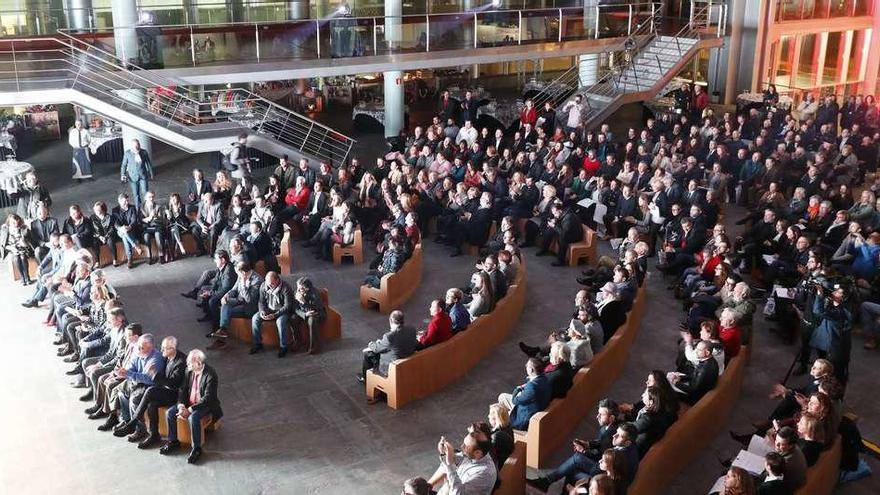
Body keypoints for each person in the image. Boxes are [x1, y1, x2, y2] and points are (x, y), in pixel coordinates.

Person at [114, 336, 186, 449]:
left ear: (173, 349)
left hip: (175, 394)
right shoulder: (167, 356)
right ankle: (154, 435)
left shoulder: (181, 362)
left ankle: (133, 422)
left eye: (165, 349)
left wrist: (154, 374)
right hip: (164, 390)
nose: (161, 350)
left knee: (150, 390)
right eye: (162, 348)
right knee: (152, 403)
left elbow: (173, 384)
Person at [160, 349, 223, 464]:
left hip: (205, 405)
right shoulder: (188, 370)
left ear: (198, 363)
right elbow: (183, 389)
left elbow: (208, 398)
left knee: (193, 417)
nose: (187, 364)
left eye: (190, 362)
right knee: (169, 412)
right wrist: (181, 406)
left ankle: (196, 448)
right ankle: (173, 441)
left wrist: (190, 409)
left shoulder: (211, 374)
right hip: (189, 402)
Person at [113, 333, 166, 443]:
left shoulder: (156, 358)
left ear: (150, 347)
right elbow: (132, 367)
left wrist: (129, 374)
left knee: (134, 400)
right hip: (136, 381)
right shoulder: (138, 352)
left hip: (150, 386)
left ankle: (139, 430)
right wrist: (124, 371)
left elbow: (148, 379)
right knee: (121, 392)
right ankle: (126, 420)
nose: (139, 348)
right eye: (139, 346)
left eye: (142, 347)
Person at [207, 262, 263, 349]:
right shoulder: (241, 276)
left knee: (226, 313)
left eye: (238, 273)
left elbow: (249, 299)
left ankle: (221, 338)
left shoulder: (257, 280)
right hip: (239, 300)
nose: (238, 275)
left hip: (249, 307)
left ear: (243, 273)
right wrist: (226, 295)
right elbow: (234, 289)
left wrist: (244, 283)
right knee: (225, 303)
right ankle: (223, 330)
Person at [428, 431, 497, 495]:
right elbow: (452, 459)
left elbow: (458, 493)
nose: (461, 446)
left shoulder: (485, 474)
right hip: (446, 491)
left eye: (465, 446)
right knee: (419, 484)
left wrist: (450, 464)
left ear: (477, 452)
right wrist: (444, 452)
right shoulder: (474, 455)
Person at [359, 310, 418, 383]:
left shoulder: (389, 336)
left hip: (390, 369)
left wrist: (371, 344)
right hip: (407, 363)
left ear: (391, 321)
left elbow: (377, 349)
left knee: (368, 354)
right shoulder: (412, 329)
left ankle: (366, 379)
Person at [497, 358, 551, 430]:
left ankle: (503, 425)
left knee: (502, 399)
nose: (525, 366)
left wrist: (518, 389)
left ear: (531, 370)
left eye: (527, 366)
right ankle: (504, 419)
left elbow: (514, 400)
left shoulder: (532, 387)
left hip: (524, 416)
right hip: (534, 407)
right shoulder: (544, 378)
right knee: (502, 397)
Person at [250, 271, 293, 357]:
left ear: (277, 280)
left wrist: (275, 315)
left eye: (272, 284)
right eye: (268, 283)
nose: (269, 286)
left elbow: (288, 306)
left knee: (281, 322)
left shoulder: (286, 287)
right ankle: (257, 343)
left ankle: (283, 346)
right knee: (255, 318)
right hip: (269, 309)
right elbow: (261, 302)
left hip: (281, 311)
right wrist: (262, 311)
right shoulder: (263, 285)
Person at [669, 340, 719, 405]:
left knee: (667, 388)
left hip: (695, 398)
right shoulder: (711, 361)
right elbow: (695, 375)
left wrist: (675, 383)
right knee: (673, 375)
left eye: (699, 350)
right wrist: (680, 378)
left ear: (707, 352)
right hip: (697, 387)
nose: (696, 352)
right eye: (696, 349)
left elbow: (693, 390)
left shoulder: (705, 369)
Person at [292, 276, 326, 355]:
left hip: (316, 313)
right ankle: (298, 341)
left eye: (301, 289)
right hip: (304, 313)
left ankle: (314, 346)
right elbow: (295, 308)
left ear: (307, 289)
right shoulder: (296, 293)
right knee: (293, 318)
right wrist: (304, 314)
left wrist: (303, 302)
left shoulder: (314, 294)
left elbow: (314, 310)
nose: (298, 290)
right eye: (298, 288)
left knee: (312, 320)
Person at [0, 213, 35, 285]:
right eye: (12, 222)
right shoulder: (5, 230)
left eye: (15, 222)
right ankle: (22, 277)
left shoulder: (24, 228)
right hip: (11, 249)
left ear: (18, 221)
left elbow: (30, 241)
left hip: (23, 248)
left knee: (23, 257)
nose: (14, 224)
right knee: (16, 258)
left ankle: (27, 277)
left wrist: (24, 242)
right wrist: (12, 248)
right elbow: (3, 244)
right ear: (9, 222)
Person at [120, 138, 154, 209]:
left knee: (145, 193)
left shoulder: (144, 152)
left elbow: (148, 163)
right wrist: (123, 174)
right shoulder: (127, 153)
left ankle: (146, 208)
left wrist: (151, 173)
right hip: (132, 177)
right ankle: (138, 209)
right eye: (135, 146)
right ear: (131, 146)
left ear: (139, 145)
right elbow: (124, 165)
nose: (136, 147)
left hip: (143, 176)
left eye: (137, 145)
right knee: (136, 194)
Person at [111, 193, 142, 268]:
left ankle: (130, 259)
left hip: (131, 230)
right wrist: (121, 228)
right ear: (119, 201)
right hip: (120, 231)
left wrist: (130, 227)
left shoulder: (132, 207)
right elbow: (115, 224)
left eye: (127, 201)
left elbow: (134, 220)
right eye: (125, 201)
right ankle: (135, 246)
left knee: (125, 236)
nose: (127, 203)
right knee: (124, 232)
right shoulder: (115, 210)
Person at [487, 403, 514, 468]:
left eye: (490, 414)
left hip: (498, 467)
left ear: (495, 419)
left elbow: (488, 454)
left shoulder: (496, 436)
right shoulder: (508, 426)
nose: (488, 416)